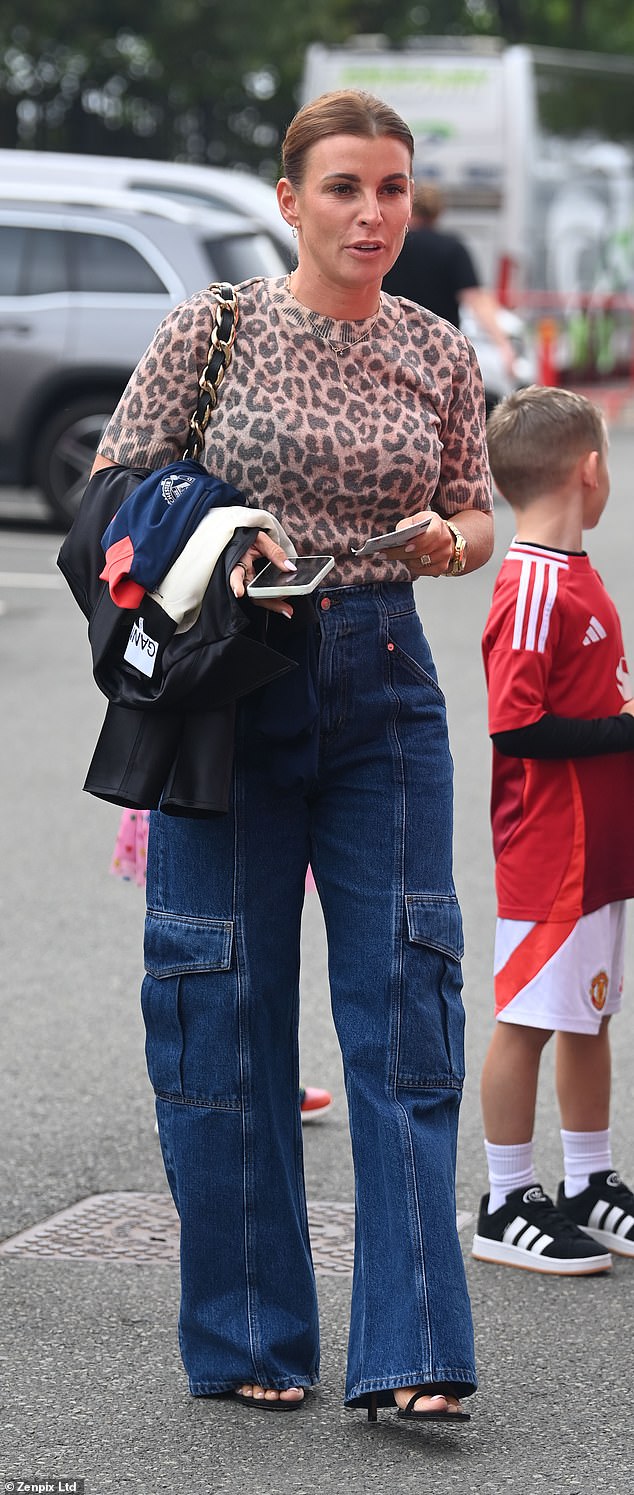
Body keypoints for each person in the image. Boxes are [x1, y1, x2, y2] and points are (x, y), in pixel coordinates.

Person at [90, 88, 494, 1420]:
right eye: (342, 187)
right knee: (224, 1003)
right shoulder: (211, 328)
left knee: (405, 1010)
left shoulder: (434, 350)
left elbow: (478, 507)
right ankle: (253, 1330)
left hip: (383, 675)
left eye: (390, 187)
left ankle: (415, 1347)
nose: (372, 213)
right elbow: (115, 486)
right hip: (228, 683)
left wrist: (452, 537)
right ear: (287, 199)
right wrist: (213, 535)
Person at [473, 385, 634, 1274]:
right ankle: (504, 1198)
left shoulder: (574, 568)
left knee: (589, 1014)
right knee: (528, 1019)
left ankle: (588, 1180)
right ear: (590, 471)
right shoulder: (534, 581)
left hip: (598, 849)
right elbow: (516, 723)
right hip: (551, 852)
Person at [109, 808, 333, 1120]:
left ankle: (264, 1086)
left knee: (242, 938)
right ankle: (192, 1096)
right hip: (199, 781)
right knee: (208, 938)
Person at [383, 181, 516, 379]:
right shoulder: (452, 248)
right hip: (439, 351)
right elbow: (475, 299)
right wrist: (504, 346)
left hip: (391, 346)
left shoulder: (388, 247)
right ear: (438, 212)